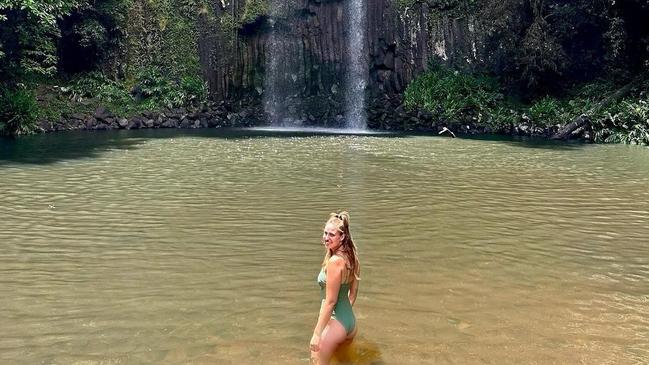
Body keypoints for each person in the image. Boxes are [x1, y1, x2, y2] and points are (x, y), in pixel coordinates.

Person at [310, 211, 361, 365]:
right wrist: (345, 318)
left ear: (342, 237)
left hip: (336, 322)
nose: (326, 237)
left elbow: (331, 302)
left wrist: (317, 334)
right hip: (350, 322)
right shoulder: (353, 258)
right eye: (325, 233)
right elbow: (352, 294)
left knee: (316, 359)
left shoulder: (334, 262)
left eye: (331, 234)